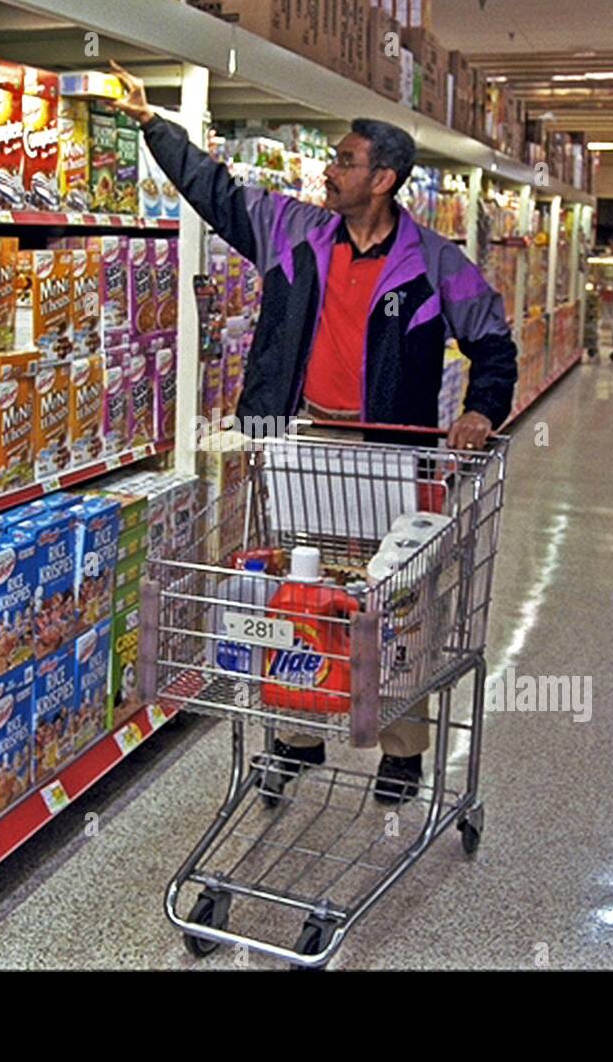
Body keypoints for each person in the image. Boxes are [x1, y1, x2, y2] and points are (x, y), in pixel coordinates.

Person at [111, 63, 518, 805]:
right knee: (300, 591)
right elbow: (220, 193)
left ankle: (402, 746)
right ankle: (295, 735)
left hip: (388, 455)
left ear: (385, 178)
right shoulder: (293, 231)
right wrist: (152, 125)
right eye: (332, 158)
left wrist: (481, 410)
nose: (329, 172)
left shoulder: (433, 263)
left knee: (393, 601)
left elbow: (495, 344)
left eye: (345, 160)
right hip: (297, 440)